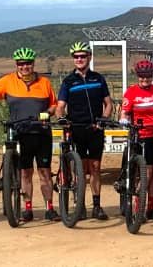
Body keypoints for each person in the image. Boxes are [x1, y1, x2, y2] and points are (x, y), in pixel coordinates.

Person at [0, 48, 57, 222]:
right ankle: (28, 208)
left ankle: (50, 208)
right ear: (16, 65)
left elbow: (54, 105)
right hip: (20, 133)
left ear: (33, 64)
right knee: (25, 173)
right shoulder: (8, 81)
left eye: (28, 63)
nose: (25, 66)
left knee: (44, 172)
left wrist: (48, 113)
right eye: (21, 63)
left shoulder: (44, 82)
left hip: (41, 133)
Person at [54, 42, 114, 220]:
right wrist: (61, 118)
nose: (79, 59)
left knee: (95, 167)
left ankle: (96, 205)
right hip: (77, 128)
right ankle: (78, 205)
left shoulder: (98, 78)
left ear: (89, 57)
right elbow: (60, 106)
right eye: (76, 57)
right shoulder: (68, 81)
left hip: (95, 128)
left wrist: (104, 118)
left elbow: (108, 103)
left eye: (82, 56)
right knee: (78, 169)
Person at [119, 60, 153, 221]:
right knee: (146, 172)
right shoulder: (131, 92)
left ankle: (151, 208)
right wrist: (124, 119)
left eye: (148, 77)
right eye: (142, 77)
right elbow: (124, 112)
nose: (145, 80)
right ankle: (139, 207)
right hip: (140, 136)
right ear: (137, 76)